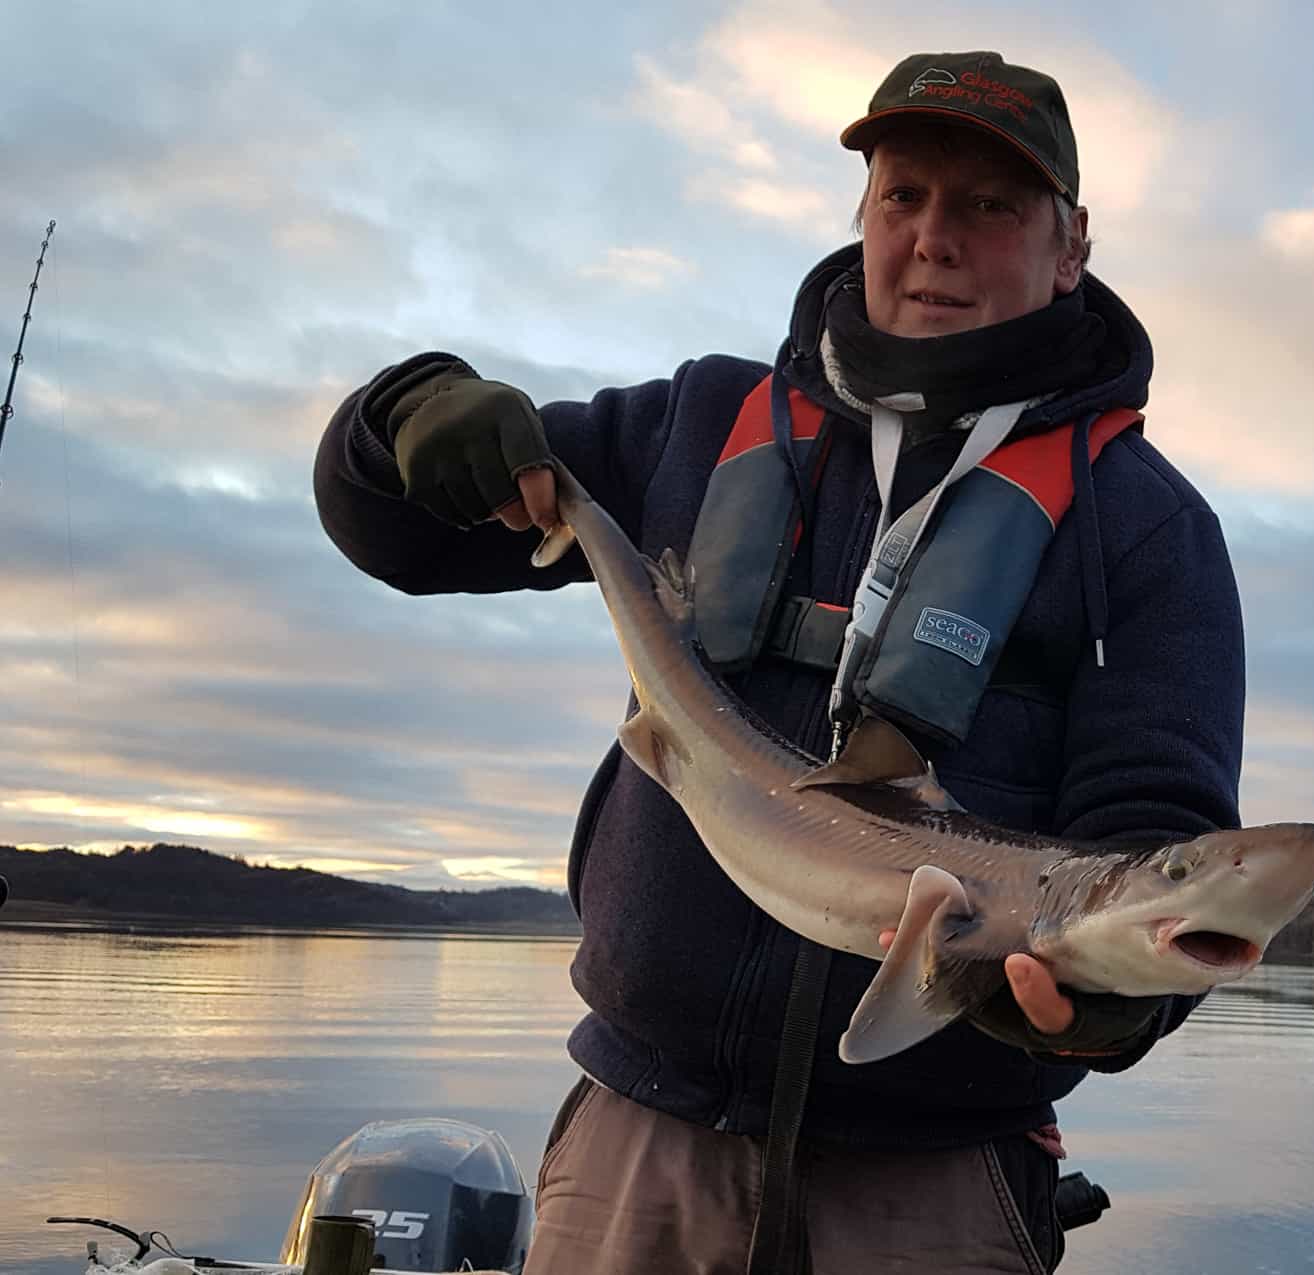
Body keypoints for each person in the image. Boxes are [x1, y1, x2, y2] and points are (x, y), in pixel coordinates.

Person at [314, 50, 1246, 1275]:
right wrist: (407, 410)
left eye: (987, 206)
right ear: (863, 215)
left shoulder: (1141, 522)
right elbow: (403, 537)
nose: (934, 241)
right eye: (903, 197)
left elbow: (1160, 824)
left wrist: (1121, 1008)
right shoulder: (695, 425)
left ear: (1069, 247)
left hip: (940, 1178)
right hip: (642, 1145)